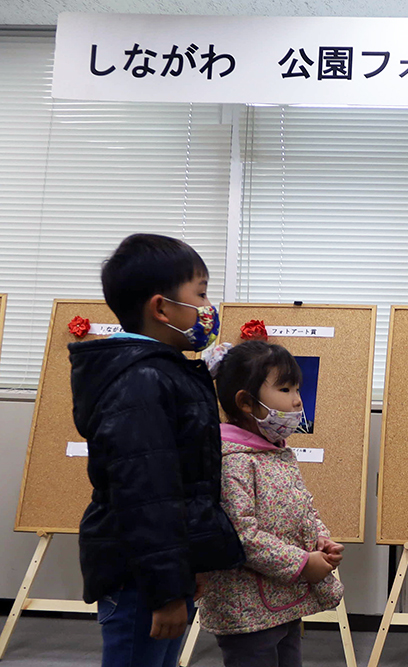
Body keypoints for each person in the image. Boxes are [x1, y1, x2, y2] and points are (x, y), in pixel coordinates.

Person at [69, 234, 245, 667]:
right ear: (161, 308)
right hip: (139, 576)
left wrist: (191, 565)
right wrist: (166, 589)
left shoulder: (164, 373)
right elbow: (148, 493)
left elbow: (187, 485)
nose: (209, 307)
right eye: (200, 294)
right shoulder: (140, 382)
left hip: (160, 569)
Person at [199, 340, 345, 667]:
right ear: (246, 402)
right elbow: (241, 536)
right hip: (246, 609)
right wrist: (303, 563)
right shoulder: (232, 461)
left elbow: (302, 507)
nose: (296, 400)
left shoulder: (277, 451)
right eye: (285, 388)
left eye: (297, 388)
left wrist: (320, 539)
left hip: (283, 601)